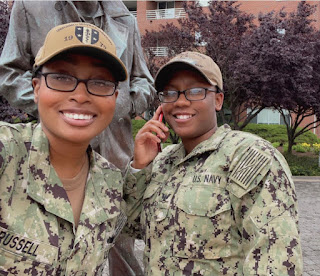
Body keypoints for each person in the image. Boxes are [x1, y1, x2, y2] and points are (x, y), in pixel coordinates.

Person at [0, 1, 154, 274]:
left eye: (100, 82)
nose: (81, 95)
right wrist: (60, 112)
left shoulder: (124, 18)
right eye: (62, 77)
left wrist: (121, 105)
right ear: (39, 86)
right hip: (46, 153)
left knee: (117, 243)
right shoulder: (30, 7)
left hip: (114, 148)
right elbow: (9, 72)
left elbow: (143, 80)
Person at [126, 51, 303, 275]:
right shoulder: (161, 161)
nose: (180, 101)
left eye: (195, 91)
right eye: (170, 93)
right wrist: (140, 167)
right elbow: (130, 226)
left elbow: (275, 260)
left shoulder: (249, 157)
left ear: (218, 100)